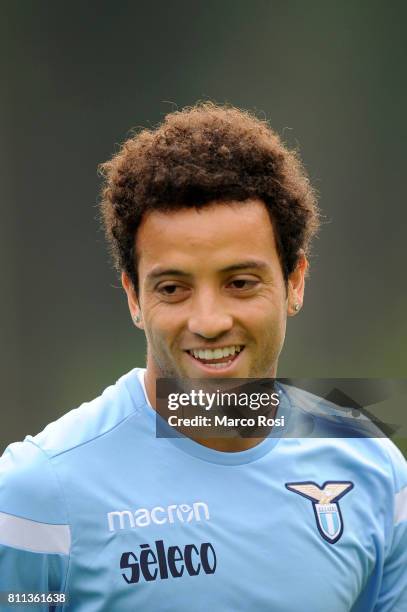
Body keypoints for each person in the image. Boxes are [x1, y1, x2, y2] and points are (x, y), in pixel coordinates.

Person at [0, 103, 405, 611]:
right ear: (133, 297)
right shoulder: (38, 492)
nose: (209, 320)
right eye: (173, 288)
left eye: (240, 283)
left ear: (295, 281)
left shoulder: (370, 460)